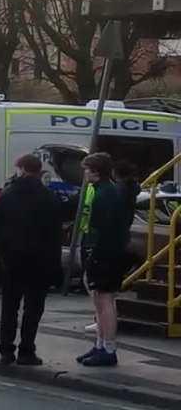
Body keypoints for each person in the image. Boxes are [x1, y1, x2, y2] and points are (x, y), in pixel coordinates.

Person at [0, 154, 62, 366]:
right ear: (38, 170)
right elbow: (55, 235)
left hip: (13, 260)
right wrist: (54, 264)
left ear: (22, 168)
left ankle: (6, 350)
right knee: (33, 309)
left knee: (9, 307)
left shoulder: (8, 194)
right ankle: (26, 350)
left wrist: (2, 252)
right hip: (40, 261)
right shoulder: (49, 197)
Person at [77, 153, 130, 368]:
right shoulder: (106, 190)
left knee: (105, 299)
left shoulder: (106, 194)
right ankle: (100, 345)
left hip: (105, 254)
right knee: (99, 300)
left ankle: (108, 348)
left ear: (96, 171)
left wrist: (95, 253)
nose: (85, 173)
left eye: (87, 169)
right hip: (106, 252)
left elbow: (104, 228)